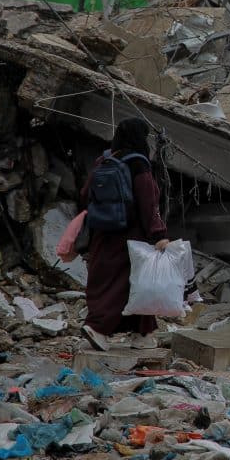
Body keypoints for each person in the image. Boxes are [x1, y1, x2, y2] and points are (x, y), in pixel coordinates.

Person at [81, 118, 169, 351]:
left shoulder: (105, 160)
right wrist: (158, 233)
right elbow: (148, 201)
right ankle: (98, 328)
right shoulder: (138, 163)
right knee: (126, 285)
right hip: (131, 235)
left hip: (102, 233)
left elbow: (85, 194)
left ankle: (144, 333)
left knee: (111, 281)